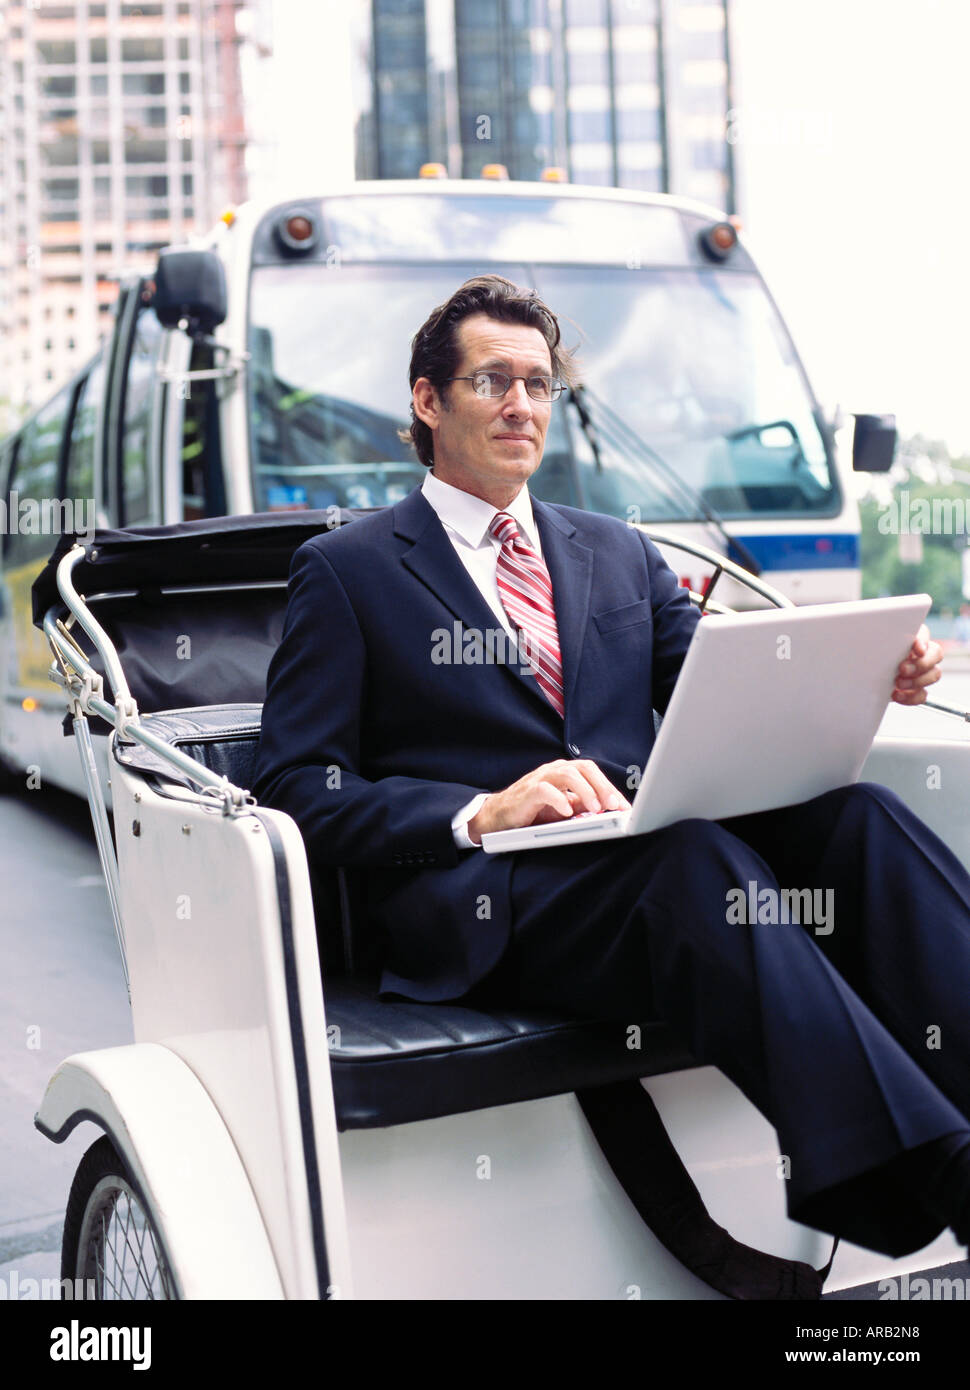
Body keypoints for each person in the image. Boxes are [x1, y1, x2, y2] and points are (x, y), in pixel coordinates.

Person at [252, 275, 970, 1262]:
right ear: (426, 400)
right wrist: (481, 810)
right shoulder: (348, 570)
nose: (522, 405)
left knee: (861, 822)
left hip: (634, 862)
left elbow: (733, 681)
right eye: (491, 381)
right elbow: (295, 786)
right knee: (694, 866)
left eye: (539, 384)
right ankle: (930, 1178)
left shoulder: (614, 550)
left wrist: (867, 670)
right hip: (494, 902)